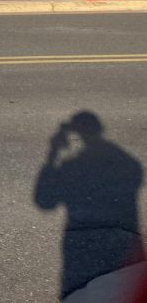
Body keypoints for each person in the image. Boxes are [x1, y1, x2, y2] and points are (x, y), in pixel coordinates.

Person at [34, 111, 145, 298]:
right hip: (127, 241)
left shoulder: (73, 165)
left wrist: (53, 153)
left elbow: (45, 201)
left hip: (82, 244)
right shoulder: (130, 163)